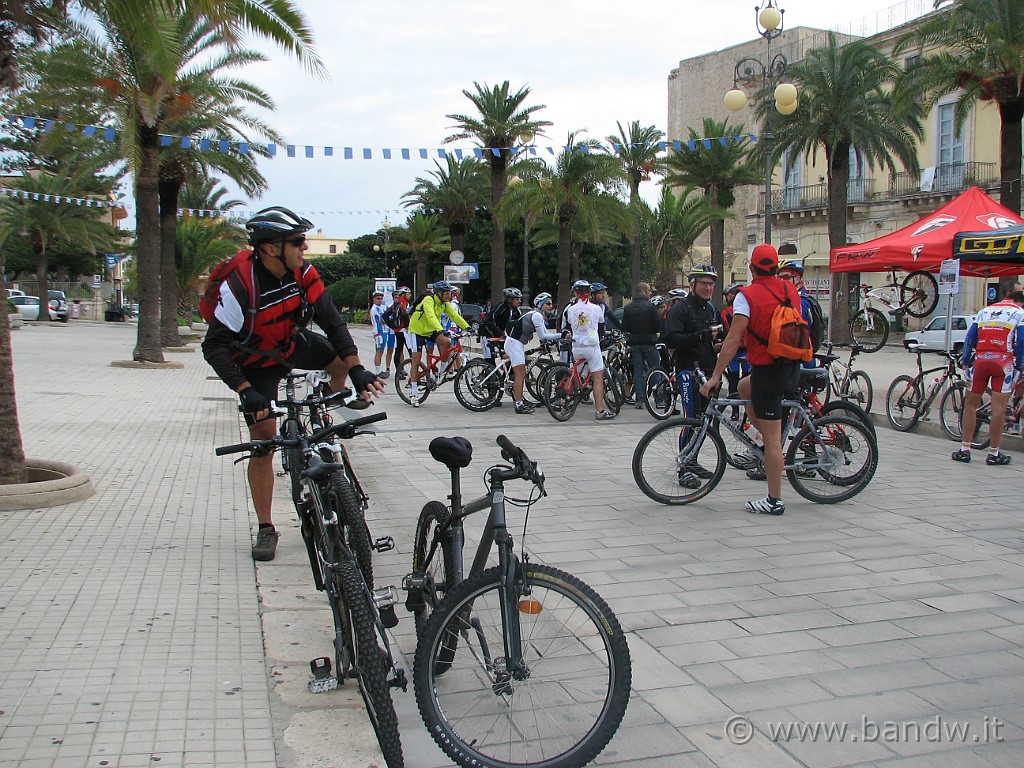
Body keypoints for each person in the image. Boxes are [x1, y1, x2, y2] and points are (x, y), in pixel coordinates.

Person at [202, 206, 385, 561]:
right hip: (256, 364)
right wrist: (246, 392)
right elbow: (214, 347)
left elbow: (332, 322)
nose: (304, 247)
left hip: (291, 344)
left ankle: (327, 412)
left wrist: (357, 369)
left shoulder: (303, 272)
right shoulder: (240, 286)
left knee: (337, 363)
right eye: (298, 241)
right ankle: (267, 527)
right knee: (264, 443)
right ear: (271, 248)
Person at [699, 244, 801, 516]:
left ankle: (774, 500)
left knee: (773, 441)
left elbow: (732, 340)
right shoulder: (789, 289)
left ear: (752, 268)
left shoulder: (747, 296)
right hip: (791, 365)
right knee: (744, 387)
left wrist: (716, 376)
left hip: (769, 371)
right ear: (776, 267)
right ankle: (770, 445)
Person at [952, 289, 1024, 465]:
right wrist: (1019, 366)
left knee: (970, 405)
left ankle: (964, 450)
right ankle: (994, 453)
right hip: (1003, 363)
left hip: (981, 361)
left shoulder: (985, 310)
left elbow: (969, 338)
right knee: (998, 408)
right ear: (1020, 302)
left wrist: (966, 363)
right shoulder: (1019, 312)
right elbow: (1021, 340)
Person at [662, 265, 723, 421]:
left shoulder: (713, 310)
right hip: (688, 371)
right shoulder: (680, 309)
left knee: (705, 421)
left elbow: (718, 337)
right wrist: (701, 337)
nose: (708, 287)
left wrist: (716, 345)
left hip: (709, 370)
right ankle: (686, 447)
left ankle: (697, 446)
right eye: (703, 283)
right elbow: (670, 339)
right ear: (692, 284)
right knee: (691, 420)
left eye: (711, 284)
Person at [406, 280, 469, 406]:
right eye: (446, 293)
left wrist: (467, 327)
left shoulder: (444, 304)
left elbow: (454, 316)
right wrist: (440, 329)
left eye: (449, 293)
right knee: (416, 360)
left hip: (430, 330)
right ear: (438, 293)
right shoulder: (429, 300)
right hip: (417, 330)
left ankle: (442, 372)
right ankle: (413, 392)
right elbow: (430, 316)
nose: (449, 296)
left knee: (446, 342)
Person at [566, 281, 616, 421]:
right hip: (592, 346)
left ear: (575, 293)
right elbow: (601, 327)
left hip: (577, 346)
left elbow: (570, 325)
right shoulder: (596, 308)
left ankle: (569, 393)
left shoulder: (571, 309)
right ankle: (600, 411)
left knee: (574, 370)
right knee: (598, 378)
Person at [504, 291, 561, 413]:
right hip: (514, 344)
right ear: (541, 304)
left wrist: (549, 341)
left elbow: (544, 336)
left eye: (551, 303)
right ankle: (518, 405)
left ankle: (520, 400)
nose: (551, 306)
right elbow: (543, 335)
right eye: (548, 303)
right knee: (521, 374)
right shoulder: (537, 315)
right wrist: (562, 335)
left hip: (516, 343)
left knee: (520, 373)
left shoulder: (539, 315)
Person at [621, 282, 662, 409]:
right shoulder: (651, 307)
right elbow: (657, 325)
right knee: (655, 370)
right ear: (643, 291)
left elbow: (625, 327)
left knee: (638, 372)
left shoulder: (628, 308)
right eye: (649, 290)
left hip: (635, 343)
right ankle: (659, 399)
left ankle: (639, 399)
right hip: (649, 342)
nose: (650, 293)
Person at [777, 259, 820, 367]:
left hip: (801, 359)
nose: (781, 280)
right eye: (779, 277)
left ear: (797, 279)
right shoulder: (787, 298)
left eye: (786, 277)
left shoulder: (801, 301)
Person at [368, 290, 395, 378]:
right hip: (379, 332)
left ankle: (387, 368)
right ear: (374, 299)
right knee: (380, 351)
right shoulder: (374, 309)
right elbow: (382, 320)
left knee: (390, 349)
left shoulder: (384, 307)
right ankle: (378, 371)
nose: (379, 300)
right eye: (377, 298)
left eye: (381, 298)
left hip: (387, 330)